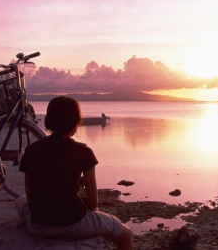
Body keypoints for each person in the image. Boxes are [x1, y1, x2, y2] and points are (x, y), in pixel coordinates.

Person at [15, 96, 133, 249]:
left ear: (49, 120)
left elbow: (30, 198)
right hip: (74, 224)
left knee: (19, 200)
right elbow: (92, 204)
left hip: (37, 225)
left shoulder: (31, 151)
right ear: (76, 121)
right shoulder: (84, 152)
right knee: (126, 234)